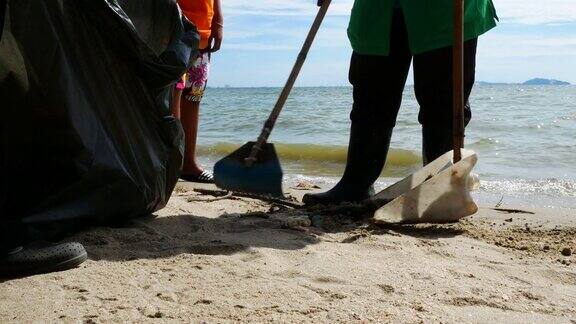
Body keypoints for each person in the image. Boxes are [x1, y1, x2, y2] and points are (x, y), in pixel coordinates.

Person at [304, 0, 497, 205]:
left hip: (445, 9)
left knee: (443, 101)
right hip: (380, 8)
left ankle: (440, 189)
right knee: (370, 96)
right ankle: (355, 185)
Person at [172, 0, 224, 183]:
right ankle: (169, 162)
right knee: (172, 94)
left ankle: (188, 165)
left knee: (193, 96)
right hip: (172, 27)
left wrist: (218, 21)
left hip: (202, 32)